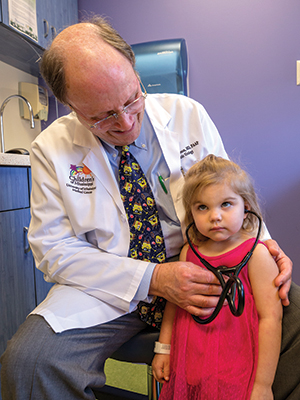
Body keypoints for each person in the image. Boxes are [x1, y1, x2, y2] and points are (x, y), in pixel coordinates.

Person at [0, 15, 298, 400]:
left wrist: (266, 248)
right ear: (70, 104)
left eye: (131, 99)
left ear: (134, 71)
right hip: (111, 283)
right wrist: (154, 278)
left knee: (294, 326)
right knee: (29, 362)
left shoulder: (189, 115)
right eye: (102, 116)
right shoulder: (50, 149)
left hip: (209, 265)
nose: (125, 122)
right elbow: (53, 249)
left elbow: (234, 196)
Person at [152, 154, 282, 399]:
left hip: (235, 365)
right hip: (189, 362)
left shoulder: (256, 255)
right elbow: (175, 303)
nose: (215, 216)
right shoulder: (189, 253)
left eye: (226, 204)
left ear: (247, 209)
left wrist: (263, 384)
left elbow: (270, 319)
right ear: (191, 213)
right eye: (202, 207)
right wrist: (164, 349)